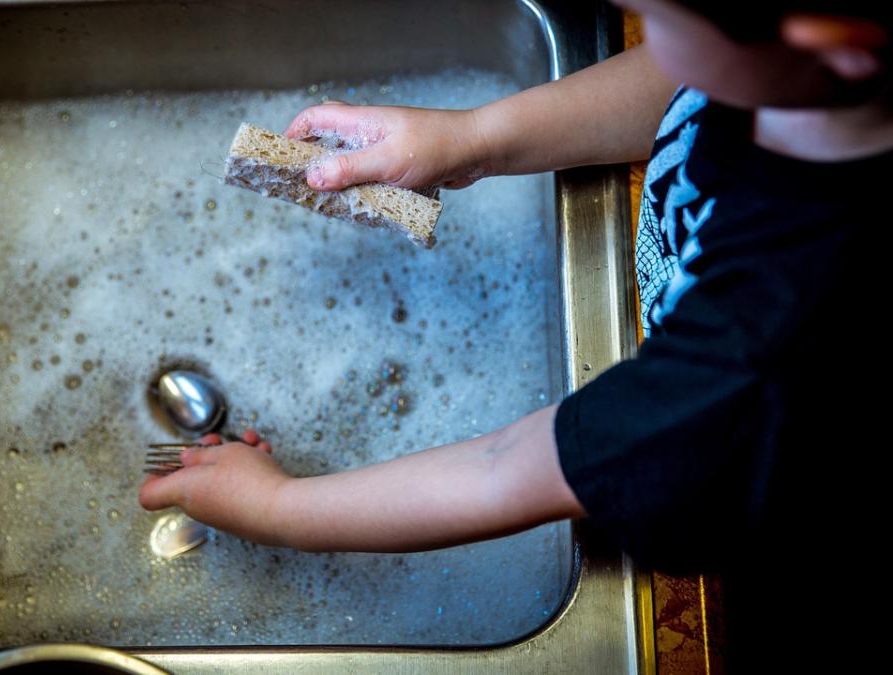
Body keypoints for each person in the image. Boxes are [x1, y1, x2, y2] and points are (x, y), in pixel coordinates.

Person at [140, 0, 891, 667]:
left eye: (660, 18)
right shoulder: (798, 81)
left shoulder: (765, 353)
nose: (644, 33)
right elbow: (680, 85)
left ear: (834, 38)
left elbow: (508, 468)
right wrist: (472, 139)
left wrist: (280, 511)